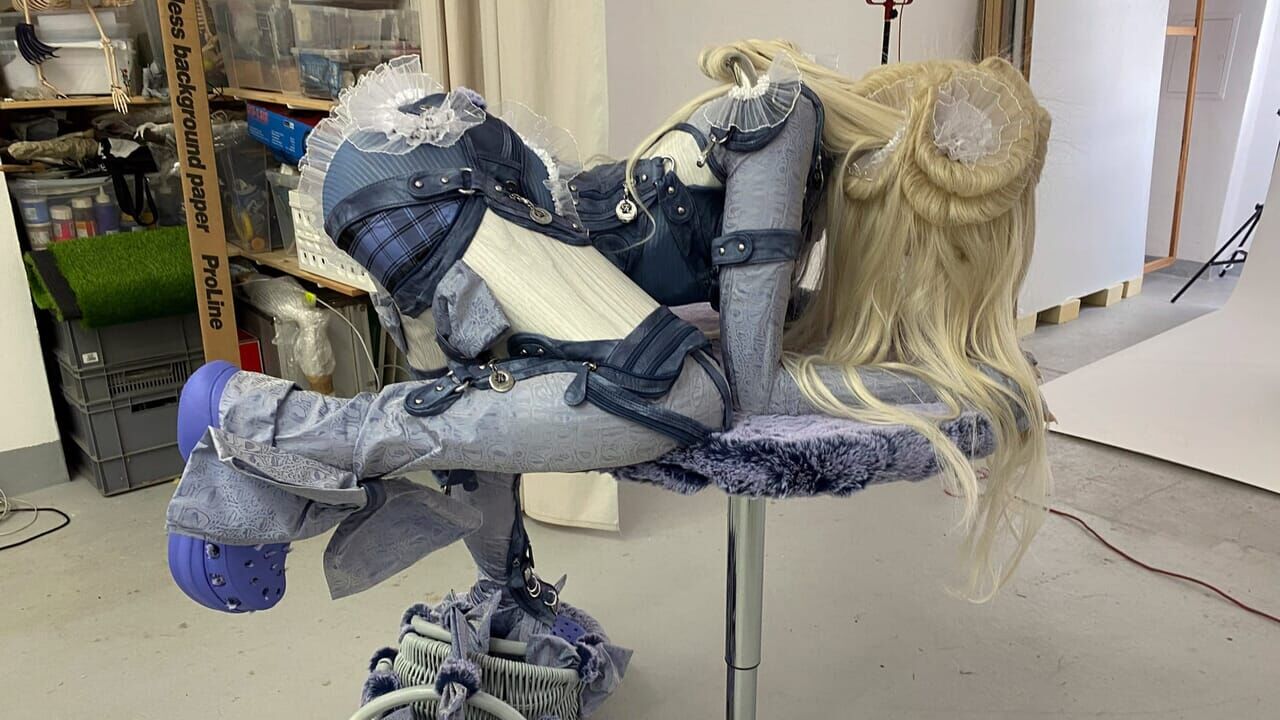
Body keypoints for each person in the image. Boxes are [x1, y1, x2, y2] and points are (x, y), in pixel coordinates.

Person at [166, 40, 1052, 649]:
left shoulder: (796, 156)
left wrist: (929, 364)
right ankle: (261, 416)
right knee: (680, 391)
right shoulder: (785, 120)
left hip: (438, 186)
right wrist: (949, 386)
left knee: (477, 437)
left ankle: (502, 595)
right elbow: (752, 385)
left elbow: (773, 314)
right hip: (432, 183)